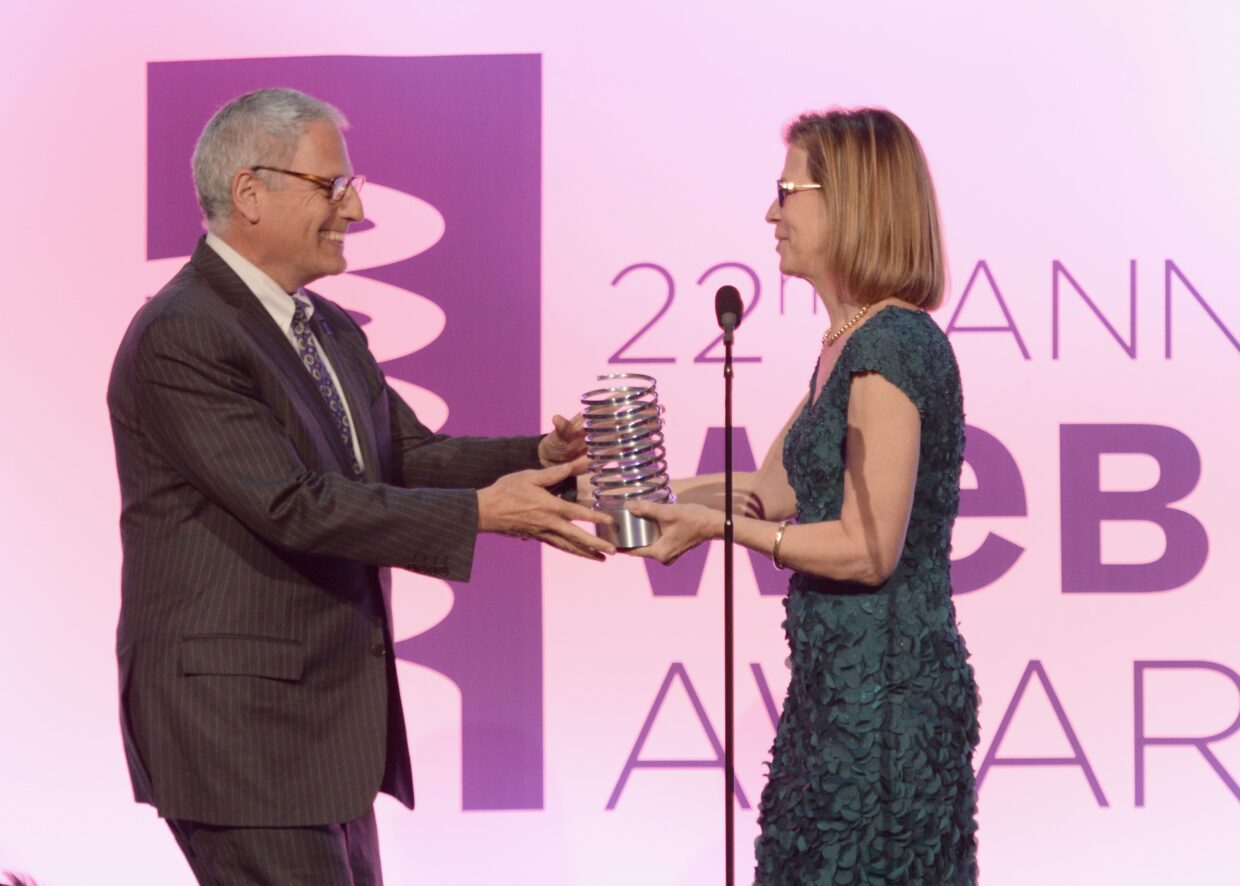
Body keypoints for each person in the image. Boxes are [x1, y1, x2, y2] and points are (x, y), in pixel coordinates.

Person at [107, 87, 614, 885]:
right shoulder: (186, 333)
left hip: (317, 726)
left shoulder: (324, 326)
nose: (355, 208)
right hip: (240, 731)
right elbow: (292, 504)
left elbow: (402, 455)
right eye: (331, 186)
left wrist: (543, 454)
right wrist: (483, 514)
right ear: (249, 193)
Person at [628, 108, 979, 884]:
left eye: (788, 190)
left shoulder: (893, 345)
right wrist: (613, 489)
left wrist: (718, 528)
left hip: (886, 708)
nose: (771, 211)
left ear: (850, 200)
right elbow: (766, 491)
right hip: (833, 697)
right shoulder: (846, 344)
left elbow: (866, 547)